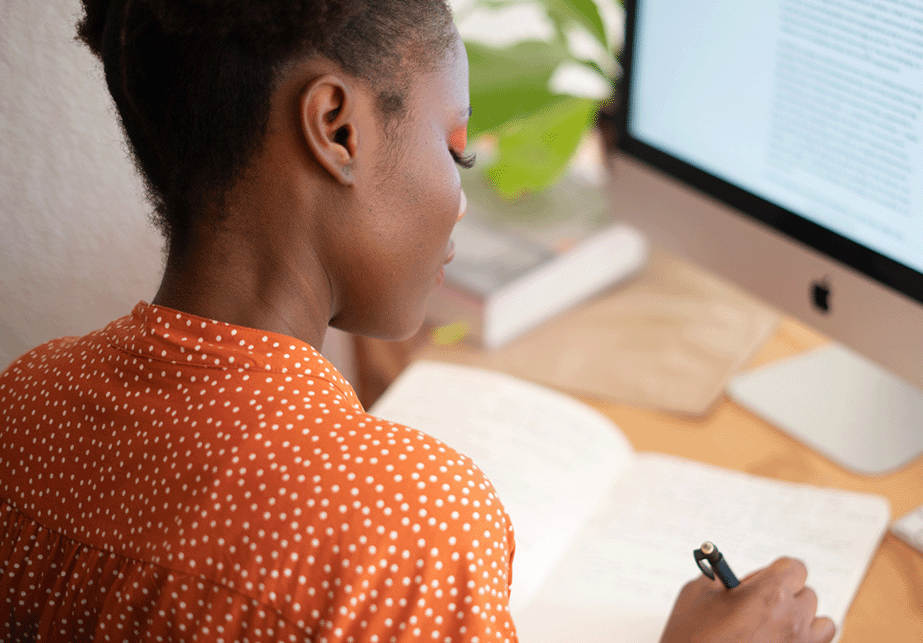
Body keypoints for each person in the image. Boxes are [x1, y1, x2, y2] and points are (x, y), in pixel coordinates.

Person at [0, 1, 836, 641]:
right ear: (337, 127)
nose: (460, 198)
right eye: (455, 146)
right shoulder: (412, 528)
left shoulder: (24, 405)